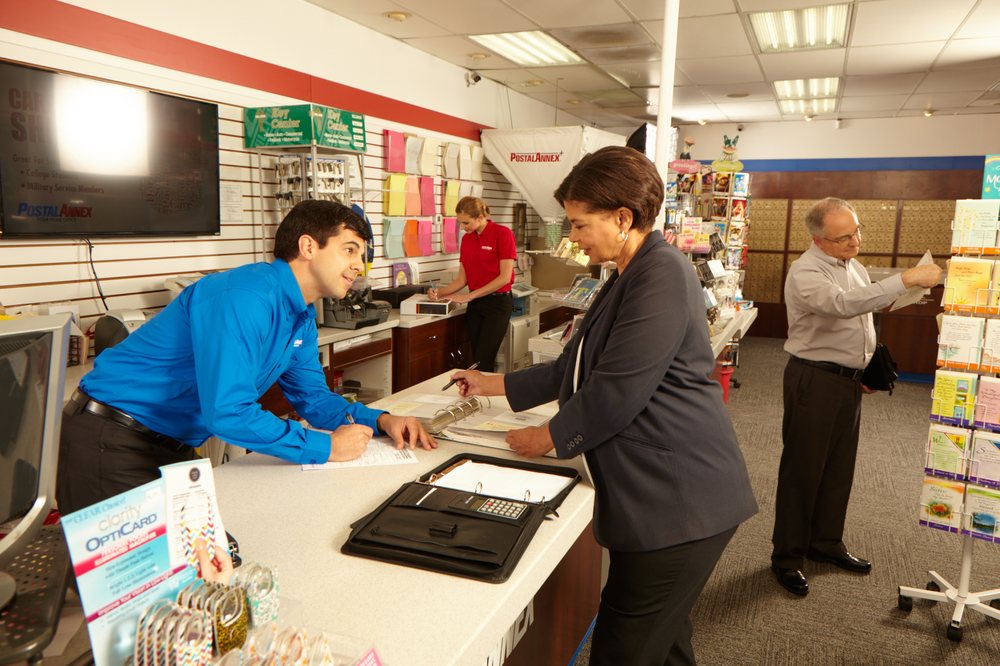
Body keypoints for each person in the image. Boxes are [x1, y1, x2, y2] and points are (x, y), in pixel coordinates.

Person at [449, 146, 758, 665]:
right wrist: (492, 384)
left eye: (578, 224)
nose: (572, 237)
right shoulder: (626, 274)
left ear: (622, 218)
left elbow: (616, 390)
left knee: (624, 649)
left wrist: (546, 437)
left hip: (680, 501)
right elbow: (571, 367)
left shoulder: (661, 274)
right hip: (668, 499)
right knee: (664, 645)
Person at [57, 200, 436, 515]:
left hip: (171, 444)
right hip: (110, 439)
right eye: (349, 250)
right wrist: (327, 448)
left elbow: (315, 401)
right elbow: (228, 412)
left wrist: (382, 420)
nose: (359, 265)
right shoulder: (245, 297)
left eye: (362, 256)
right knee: (134, 579)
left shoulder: (301, 316)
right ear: (308, 247)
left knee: (198, 569)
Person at [771, 197, 942, 596]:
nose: (855, 241)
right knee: (803, 470)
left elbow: (864, 315)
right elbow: (842, 306)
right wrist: (905, 279)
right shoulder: (805, 271)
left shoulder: (854, 266)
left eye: (857, 231)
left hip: (847, 380)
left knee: (838, 468)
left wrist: (864, 366)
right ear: (818, 239)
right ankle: (787, 557)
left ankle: (825, 542)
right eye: (843, 237)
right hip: (814, 379)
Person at [428, 196, 515, 372]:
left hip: (497, 305)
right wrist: (439, 293)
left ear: (480, 217)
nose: (462, 227)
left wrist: (469, 296)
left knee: (483, 360)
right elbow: (462, 280)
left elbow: (504, 278)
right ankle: (479, 388)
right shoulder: (467, 240)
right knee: (476, 358)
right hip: (476, 305)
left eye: (466, 223)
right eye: (460, 223)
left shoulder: (503, 234)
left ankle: (484, 389)